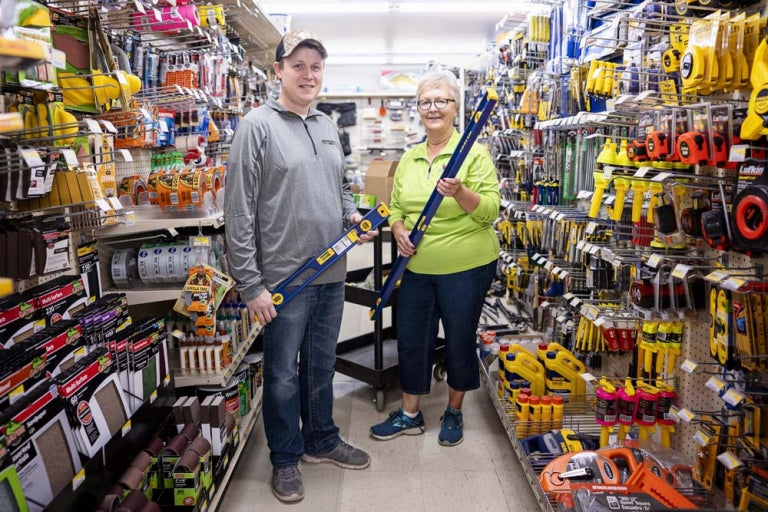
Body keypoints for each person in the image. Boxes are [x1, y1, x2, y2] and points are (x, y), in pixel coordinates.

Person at [224, 29, 375, 503]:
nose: (308, 75)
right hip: (284, 282)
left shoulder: (328, 125)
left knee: (320, 366)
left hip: (331, 272)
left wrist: (351, 213)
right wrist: (251, 286)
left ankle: (322, 440)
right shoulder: (257, 127)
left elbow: (343, 186)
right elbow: (239, 212)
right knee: (283, 375)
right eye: (298, 66)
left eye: (316, 66)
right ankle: (285, 459)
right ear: (278, 71)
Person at [370, 70, 500, 446]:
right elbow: (395, 206)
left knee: (458, 338)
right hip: (416, 266)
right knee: (412, 338)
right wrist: (396, 228)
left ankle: (454, 411)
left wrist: (460, 193)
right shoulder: (410, 157)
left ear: (455, 107)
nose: (433, 108)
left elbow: (490, 210)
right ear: (418, 109)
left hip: (466, 265)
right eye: (425, 102)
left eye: (441, 100)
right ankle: (410, 414)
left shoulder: (473, 154)